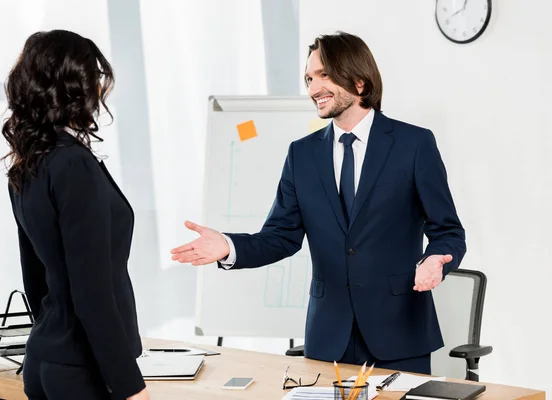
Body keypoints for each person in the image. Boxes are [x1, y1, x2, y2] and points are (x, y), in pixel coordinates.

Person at [171, 31, 466, 374]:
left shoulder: (413, 144)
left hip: (399, 333)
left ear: (359, 81)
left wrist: (436, 260)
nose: (313, 89)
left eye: (324, 75)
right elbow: (281, 236)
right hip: (329, 337)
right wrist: (228, 246)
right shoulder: (303, 154)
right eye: (309, 78)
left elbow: (448, 231)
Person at [1, 30, 149, 400]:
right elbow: (92, 293)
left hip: (45, 359)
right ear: (74, 87)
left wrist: (55, 339)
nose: (101, 90)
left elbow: (34, 277)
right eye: (94, 78)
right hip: (84, 372)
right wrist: (131, 388)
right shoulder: (73, 165)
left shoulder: (28, 164)